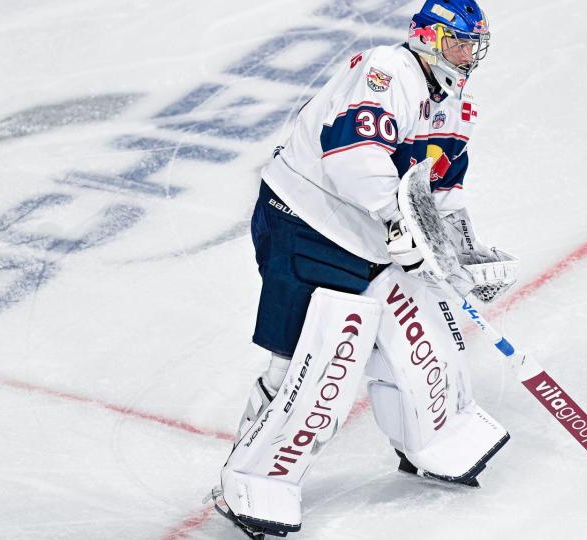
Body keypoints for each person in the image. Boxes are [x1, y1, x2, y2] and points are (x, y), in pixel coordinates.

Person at [212, 1, 519, 537]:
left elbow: (443, 189)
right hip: (308, 223)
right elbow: (352, 158)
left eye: (472, 45)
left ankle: (435, 439)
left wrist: (461, 253)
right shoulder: (387, 71)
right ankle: (255, 478)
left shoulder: (454, 102)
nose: (468, 55)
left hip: (374, 233)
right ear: (428, 38)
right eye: (458, 43)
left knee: (426, 332)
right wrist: (400, 224)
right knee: (316, 361)